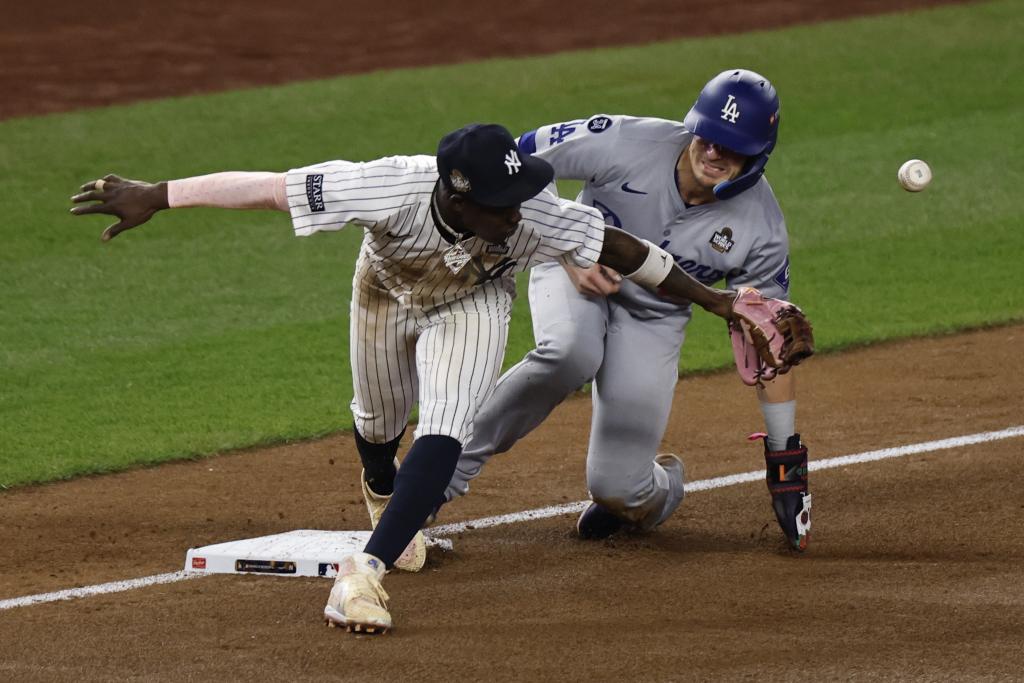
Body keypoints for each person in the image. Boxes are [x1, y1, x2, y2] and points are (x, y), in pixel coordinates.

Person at [70, 123, 759, 635]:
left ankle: (361, 573)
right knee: (378, 420)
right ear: (456, 195)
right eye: (501, 204)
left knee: (448, 425)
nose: (517, 214)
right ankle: (380, 488)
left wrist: (721, 302)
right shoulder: (387, 184)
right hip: (384, 293)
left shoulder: (529, 212)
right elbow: (270, 190)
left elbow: (625, 248)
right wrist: (156, 195)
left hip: (473, 304)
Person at [442, 69, 813, 552]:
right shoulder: (626, 140)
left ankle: (660, 492)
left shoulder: (761, 230)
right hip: (577, 273)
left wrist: (784, 457)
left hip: (655, 320)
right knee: (569, 352)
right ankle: (442, 475)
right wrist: (568, 250)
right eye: (709, 136)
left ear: (759, 156)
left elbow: (767, 339)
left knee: (620, 489)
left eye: (733, 146)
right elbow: (517, 155)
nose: (715, 152)